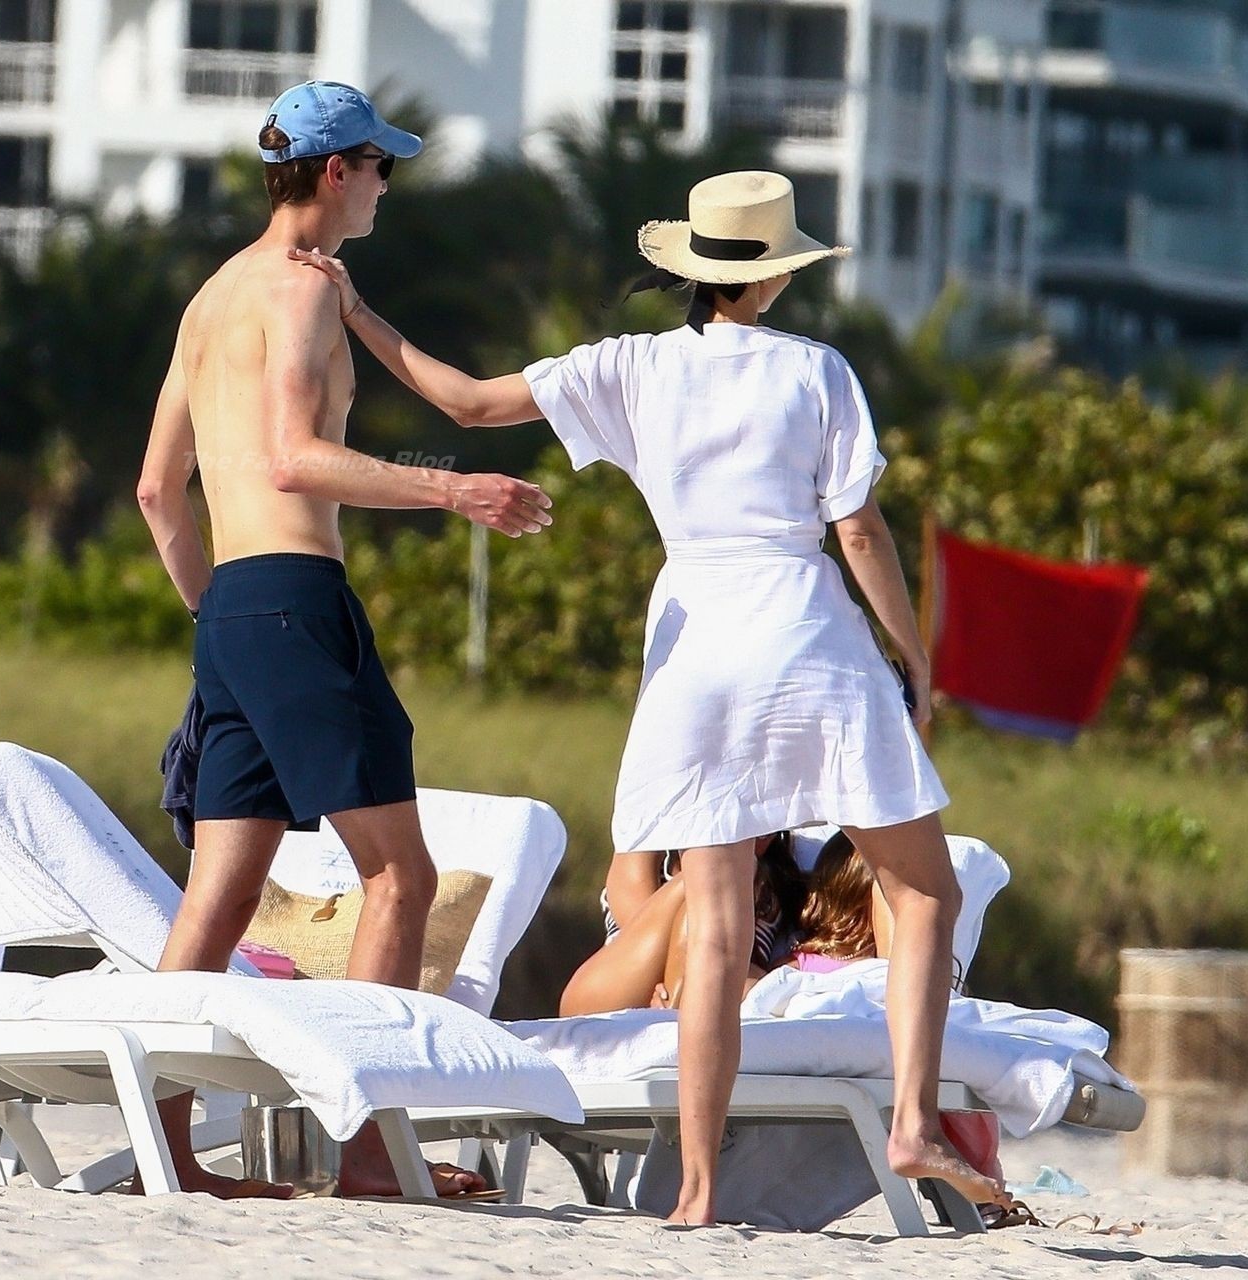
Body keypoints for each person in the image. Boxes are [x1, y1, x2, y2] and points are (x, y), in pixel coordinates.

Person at [294, 170, 1008, 1223]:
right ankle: (910, 1119)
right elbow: (857, 531)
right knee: (926, 891)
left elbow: (467, 403)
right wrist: (913, 660)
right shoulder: (818, 370)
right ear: (774, 276)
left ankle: (699, 1191)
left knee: (715, 928)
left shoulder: (629, 365)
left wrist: (358, 311)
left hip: (697, 649)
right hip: (807, 634)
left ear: (695, 270)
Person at [134, 80, 552, 1199]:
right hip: (296, 599)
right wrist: (454, 489)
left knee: (218, 894)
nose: (385, 188)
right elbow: (292, 457)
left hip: (233, 610)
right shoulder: (298, 291)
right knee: (400, 875)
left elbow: (157, 492)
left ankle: (167, 1151)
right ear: (336, 171)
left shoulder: (212, 297)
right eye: (381, 167)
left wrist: (219, 619)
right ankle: (367, 1155)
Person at [557, 832, 804, 1016]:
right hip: (610, 992)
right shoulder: (649, 846)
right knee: (718, 871)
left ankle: (677, 1018)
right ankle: (678, 1016)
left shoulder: (783, 878)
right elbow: (640, 922)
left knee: (725, 871)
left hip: (704, 991)